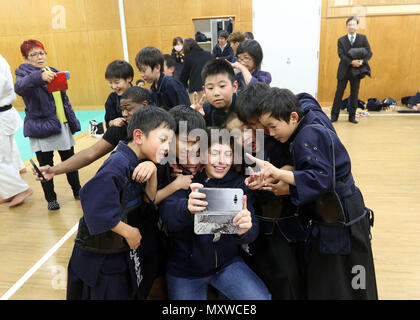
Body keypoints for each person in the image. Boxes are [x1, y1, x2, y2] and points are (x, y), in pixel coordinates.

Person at [248, 87, 378, 300]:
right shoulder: (309, 115)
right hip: (341, 215)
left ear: (293, 117)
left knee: (347, 278)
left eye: (272, 127)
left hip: (341, 219)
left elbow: (320, 179)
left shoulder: (308, 135)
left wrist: (280, 174)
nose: (270, 134)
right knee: (342, 278)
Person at [67, 106, 176, 300]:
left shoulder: (140, 161)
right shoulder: (117, 164)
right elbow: (93, 205)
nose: (168, 147)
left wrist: (152, 171)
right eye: (163, 139)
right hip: (99, 259)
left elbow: (148, 199)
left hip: (119, 253)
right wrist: (129, 231)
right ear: (139, 136)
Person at [159, 130, 271, 300]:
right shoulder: (185, 180)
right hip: (185, 270)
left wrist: (244, 231)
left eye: (228, 154)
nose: (221, 160)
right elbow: (168, 216)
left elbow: (252, 230)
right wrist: (186, 209)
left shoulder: (238, 184)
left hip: (227, 264)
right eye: (215, 153)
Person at [232, 83, 307, 299]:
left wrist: (285, 173)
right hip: (257, 222)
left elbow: (301, 170)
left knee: (287, 276)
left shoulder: (282, 137)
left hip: (286, 221)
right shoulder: (246, 142)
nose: (258, 131)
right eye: (249, 126)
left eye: (263, 126)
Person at [15, 39, 81, 211]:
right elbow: (20, 88)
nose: (39, 57)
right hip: (41, 128)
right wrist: (39, 77)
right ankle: (51, 199)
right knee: (45, 166)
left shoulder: (53, 72)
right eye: (33, 54)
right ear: (25, 58)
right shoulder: (23, 74)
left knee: (71, 162)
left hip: (61, 125)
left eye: (41, 53)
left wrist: (71, 121)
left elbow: (63, 101)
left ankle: (78, 191)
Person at [37, 86, 150, 181]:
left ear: (144, 105)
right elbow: (90, 153)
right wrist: (53, 170)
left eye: (128, 109)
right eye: (122, 109)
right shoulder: (121, 127)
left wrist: (151, 166)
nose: (124, 114)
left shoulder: (160, 124)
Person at [0, 53, 33, 207]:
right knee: (8, 153)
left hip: (2, 114)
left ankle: (20, 189)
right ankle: (10, 191)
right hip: (5, 114)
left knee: (1, 157)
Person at [331, 17, 372, 124]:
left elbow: (369, 52)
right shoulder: (341, 40)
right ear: (346, 26)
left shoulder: (363, 38)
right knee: (338, 94)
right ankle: (334, 117)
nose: (351, 26)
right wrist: (351, 62)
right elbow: (341, 55)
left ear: (357, 26)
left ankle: (352, 117)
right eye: (349, 24)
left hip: (357, 71)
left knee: (354, 94)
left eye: (353, 24)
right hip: (343, 71)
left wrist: (362, 61)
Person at [194, 59, 238, 128]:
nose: (216, 93)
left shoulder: (244, 108)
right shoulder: (204, 110)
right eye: (210, 88)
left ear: (234, 87)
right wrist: (194, 118)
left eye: (222, 86)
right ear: (204, 90)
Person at [179, 38, 212, 103]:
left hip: (195, 90)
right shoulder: (208, 54)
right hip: (209, 87)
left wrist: (186, 87)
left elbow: (183, 77)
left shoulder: (188, 57)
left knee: (196, 111)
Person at [104, 60, 134, 129]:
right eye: (110, 83)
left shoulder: (140, 94)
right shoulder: (112, 98)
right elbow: (108, 122)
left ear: (129, 78)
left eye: (117, 82)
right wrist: (113, 122)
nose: (114, 86)